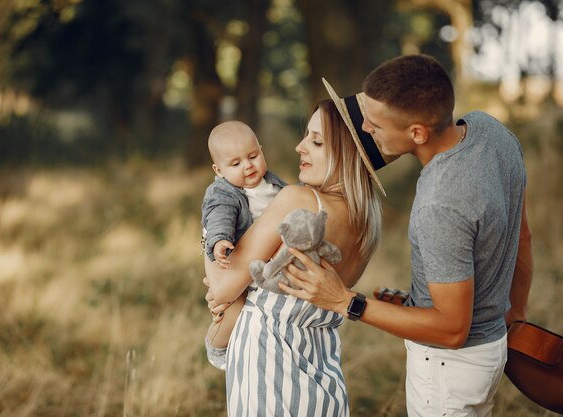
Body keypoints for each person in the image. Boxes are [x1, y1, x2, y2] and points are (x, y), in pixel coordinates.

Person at [281, 55, 533, 417]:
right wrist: (515, 315)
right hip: (491, 348)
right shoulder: (491, 132)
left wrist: (345, 301)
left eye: (375, 125)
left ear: (417, 132)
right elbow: (521, 237)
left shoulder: (439, 203)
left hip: (448, 370)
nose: (364, 130)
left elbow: (452, 330)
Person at [204, 98, 391, 416]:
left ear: (345, 153)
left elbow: (221, 289)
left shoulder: (296, 200)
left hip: (267, 360)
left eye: (316, 141)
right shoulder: (366, 221)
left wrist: (208, 233)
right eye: (306, 135)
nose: (299, 147)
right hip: (322, 361)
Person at [201, 120, 286, 370]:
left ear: (261, 150)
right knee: (232, 306)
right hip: (236, 258)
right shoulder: (224, 193)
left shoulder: (273, 183)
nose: (248, 166)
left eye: (253, 156)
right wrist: (219, 239)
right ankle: (217, 347)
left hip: (266, 260)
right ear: (218, 170)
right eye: (236, 163)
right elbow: (218, 215)